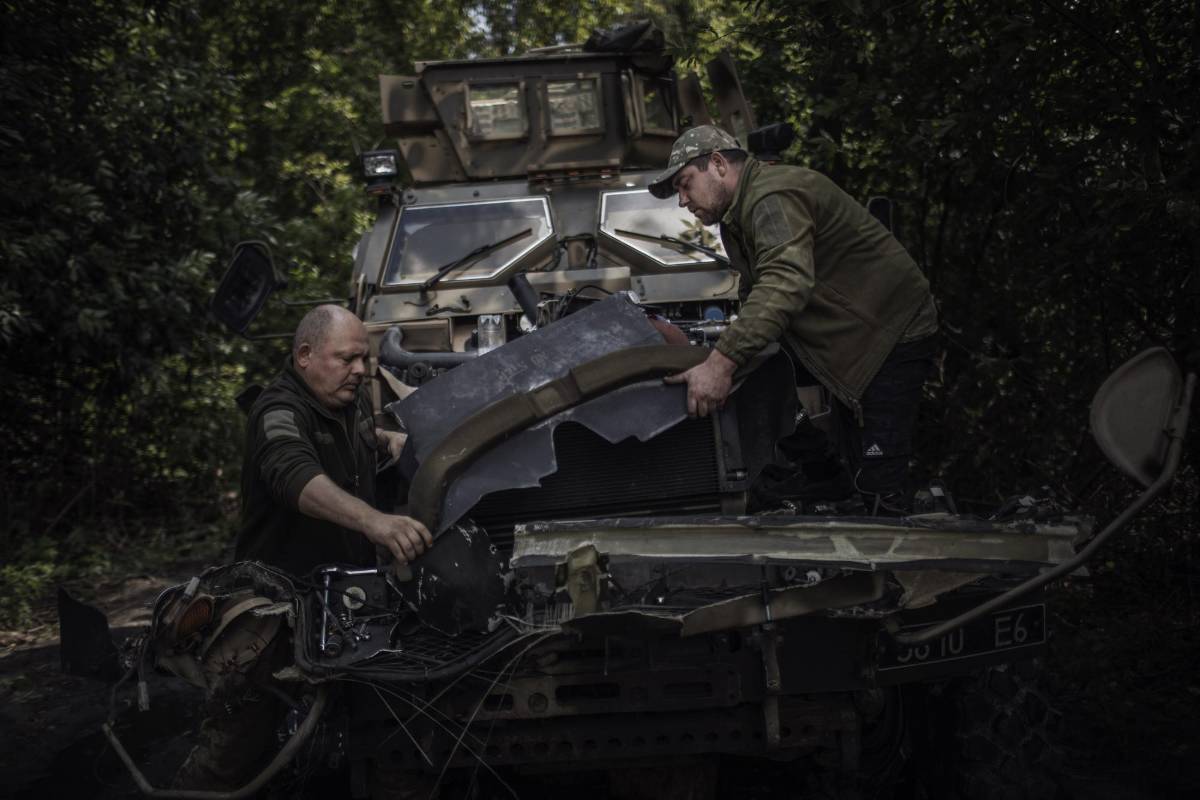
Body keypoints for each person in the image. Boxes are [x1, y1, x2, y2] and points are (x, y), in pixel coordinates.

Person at [175, 304, 431, 791]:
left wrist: (388, 442)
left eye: (363, 358)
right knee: (236, 749)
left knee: (380, 730)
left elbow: (354, 439)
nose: (360, 369)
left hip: (347, 597)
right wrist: (375, 521)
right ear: (305, 356)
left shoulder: (348, 399)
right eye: (346, 358)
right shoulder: (278, 412)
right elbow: (296, 476)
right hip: (278, 605)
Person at [651, 126, 939, 513]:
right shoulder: (737, 216)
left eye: (685, 184)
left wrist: (721, 364)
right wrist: (727, 354)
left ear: (718, 164)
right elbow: (756, 292)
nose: (682, 201)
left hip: (888, 332)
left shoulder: (770, 196)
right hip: (845, 333)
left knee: (879, 491)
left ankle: (886, 525)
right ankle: (823, 473)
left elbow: (785, 281)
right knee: (760, 374)